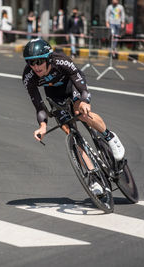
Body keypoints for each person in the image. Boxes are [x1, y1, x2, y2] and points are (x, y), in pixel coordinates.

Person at [22, 39, 125, 194]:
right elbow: (38, 105)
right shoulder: (29, 76)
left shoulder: (61, 61)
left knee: (81, 113)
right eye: (31, 63)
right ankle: (94, 178)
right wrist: (42, 126)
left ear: (48, 58)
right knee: (71, 133)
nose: (35, 67)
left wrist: (85, 101)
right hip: (55, 96)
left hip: (72, 86)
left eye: (39, 61)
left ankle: (110, 137)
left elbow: (80, 81)